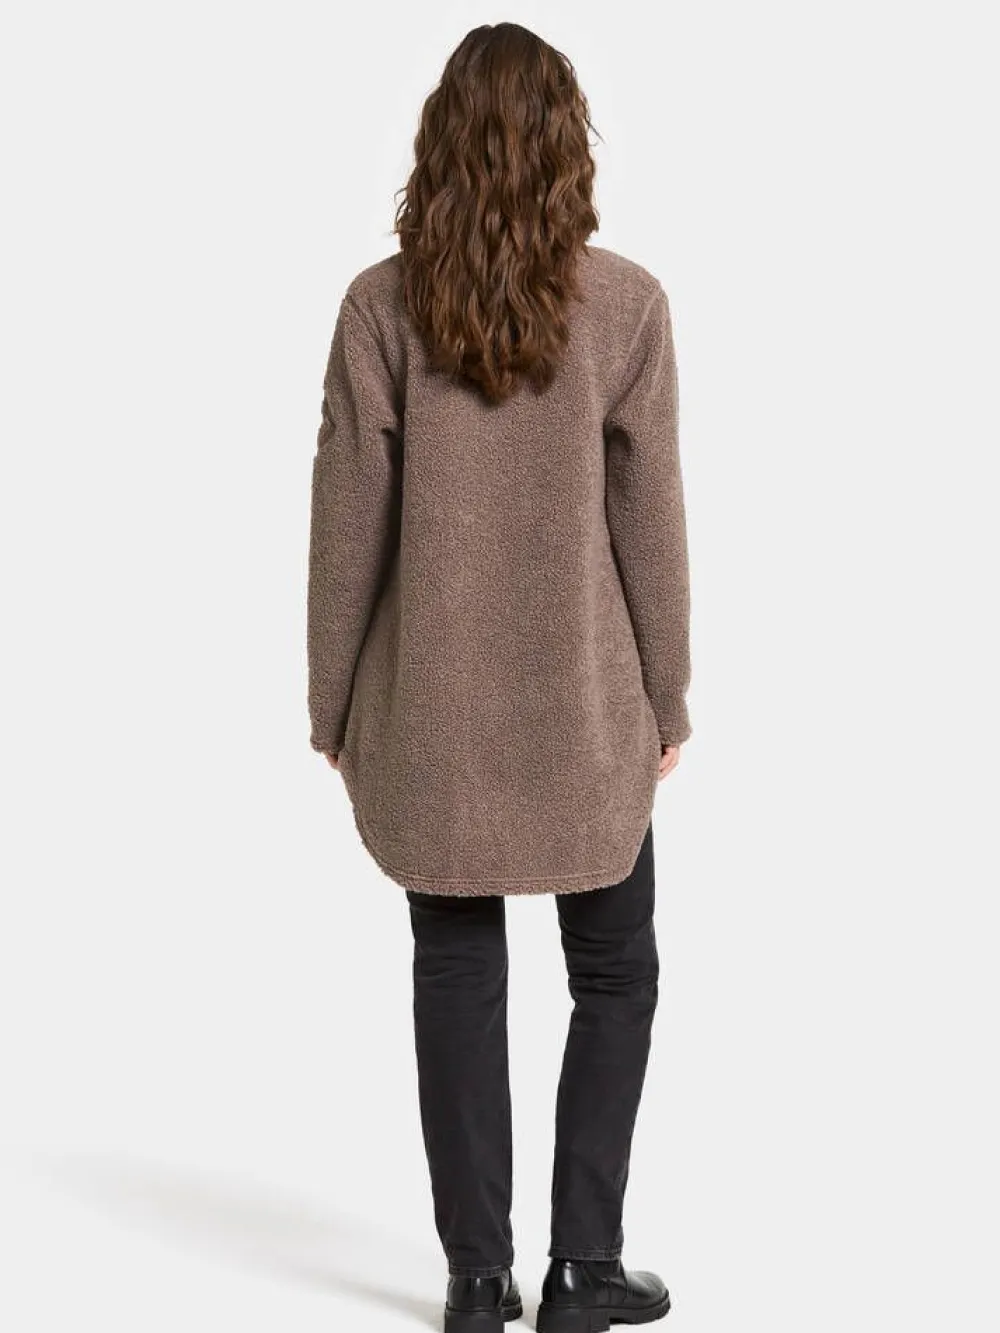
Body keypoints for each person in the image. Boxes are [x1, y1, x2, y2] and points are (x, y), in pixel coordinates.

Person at [307, 22, 691, 1333]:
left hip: (433, 711)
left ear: (441, 147)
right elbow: (652, 521)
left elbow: (344, 521)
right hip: (587, 708)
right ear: (568, 151)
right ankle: (585, 1269)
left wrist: (332, 697)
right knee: (617, 972)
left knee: (456, 969)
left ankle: (478, 1282)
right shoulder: (627, 305)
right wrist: (670, 692)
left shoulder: (380, 307)